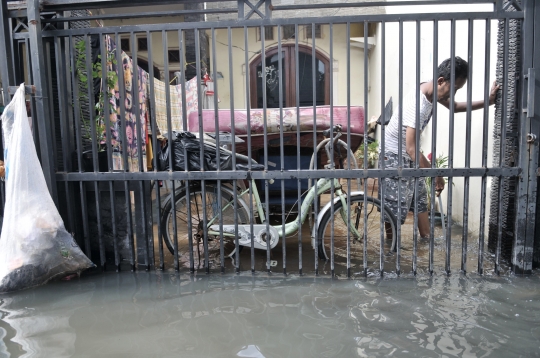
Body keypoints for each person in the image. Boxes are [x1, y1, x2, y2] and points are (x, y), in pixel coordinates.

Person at [379, 56, 499, 242]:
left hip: (409, 155)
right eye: (455, 88)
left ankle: (427, 240)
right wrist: (435, 173)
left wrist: (489, 101)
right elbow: (411, 149)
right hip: (393, 156)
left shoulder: (431, 90)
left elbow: (456, 107)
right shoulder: (417, 105)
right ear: (441, 81)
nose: (455, 93)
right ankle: (390, 247)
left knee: (420, 200)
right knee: (393, 209)